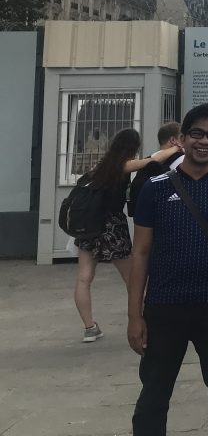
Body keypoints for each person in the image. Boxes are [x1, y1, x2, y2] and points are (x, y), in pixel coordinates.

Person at [128, 103, 208, 436]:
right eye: (196, 133)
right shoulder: (155, 188)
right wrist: (134, 315)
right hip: (165, 306)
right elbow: (140, 252)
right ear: (181, 139)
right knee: (154, 393)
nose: (204, 141)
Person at [73, 128, 180, 343]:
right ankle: (146, 322)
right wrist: (177, 147)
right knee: (133, 278)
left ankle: (89, 327)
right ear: (132, 147)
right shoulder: (124, 166)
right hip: (112, 227)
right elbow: (154, 159)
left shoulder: (99, 167)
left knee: (84, 278)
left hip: (90, 226)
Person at [127, 122, 184, 218]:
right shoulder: (184, 161)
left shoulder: (146, 162)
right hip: (175, 217)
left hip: (147, 219)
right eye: (183, 138)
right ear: (173, 140)